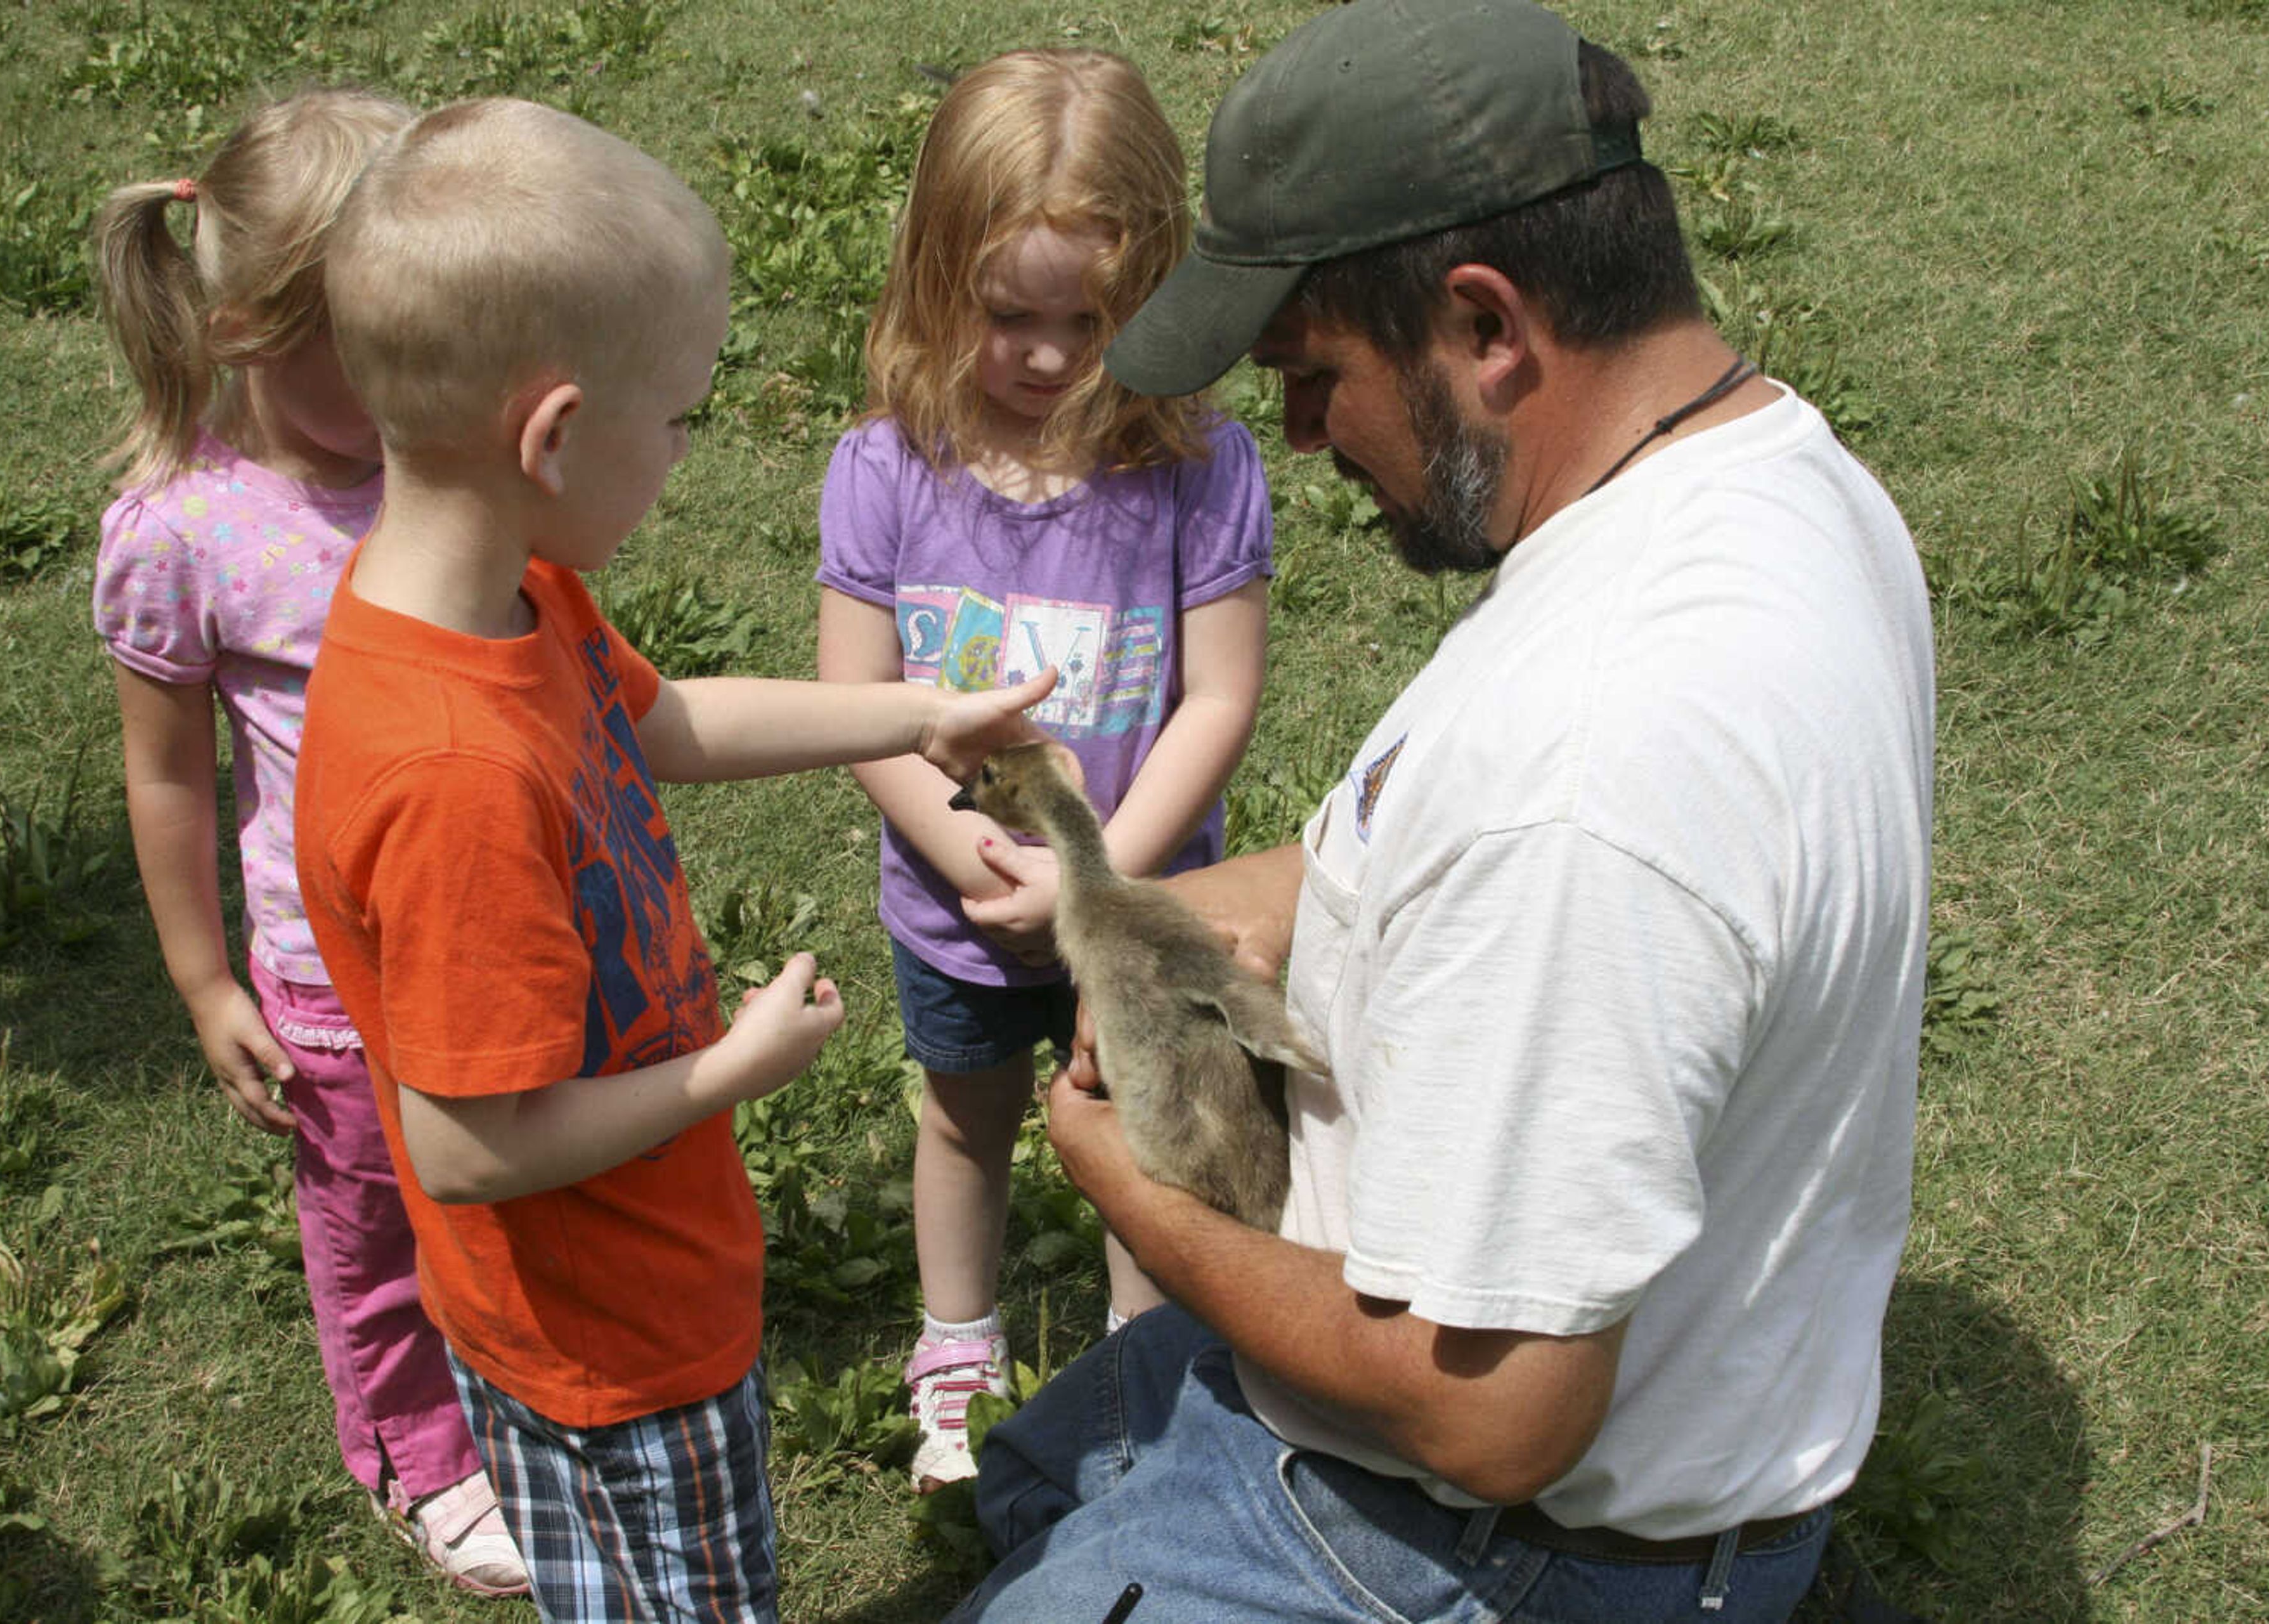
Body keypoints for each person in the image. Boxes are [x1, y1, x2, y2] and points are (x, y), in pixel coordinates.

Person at [955, 2, 1936, 1621]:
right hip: (1495, 1414)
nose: (1295, 437)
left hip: (1471, 1538)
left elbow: (1494, 1416)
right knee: (1037, 1479)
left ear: (1484, 324)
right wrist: (1169, 929)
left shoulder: (1589, 766)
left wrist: (1118, 1177)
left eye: (1314, 375)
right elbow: (1416, 870)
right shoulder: (1769, 483)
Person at [293, 98, 1059, 1623]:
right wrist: (735, 1068)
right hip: (611, 1332)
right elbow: (464, 1146)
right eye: (680, 415)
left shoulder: (507, 596)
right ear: (559, 433)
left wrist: (924, 707)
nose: (687, 451)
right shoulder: (452, 771)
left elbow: (672, 721)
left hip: (585, 1304)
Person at [814, 47, 1275, 1493]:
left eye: (1090, 321)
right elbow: (854, 695)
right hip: (954, 901)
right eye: (1006, 315)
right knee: (965, 1113)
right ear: (937, 281)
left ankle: (1141, 1372)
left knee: (1147, 1126)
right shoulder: (890, 464)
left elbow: (1220, 695)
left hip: (1132, 905)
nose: (1045, 357)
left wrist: (1099, 876)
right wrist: (973, 862)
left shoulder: (1199, 464)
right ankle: (957, 1338)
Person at [88, 88, 528, 1599]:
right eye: (382, 334)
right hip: (334, 976)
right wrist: (209, 988)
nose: (430, 363)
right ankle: (416, 1448)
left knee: (507, 1173)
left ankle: (523, 1384)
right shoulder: (187, 532)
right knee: (375, 1228)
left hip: (495, 928)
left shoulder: (449, 453)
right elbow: (169, 781)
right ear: (252, 336)